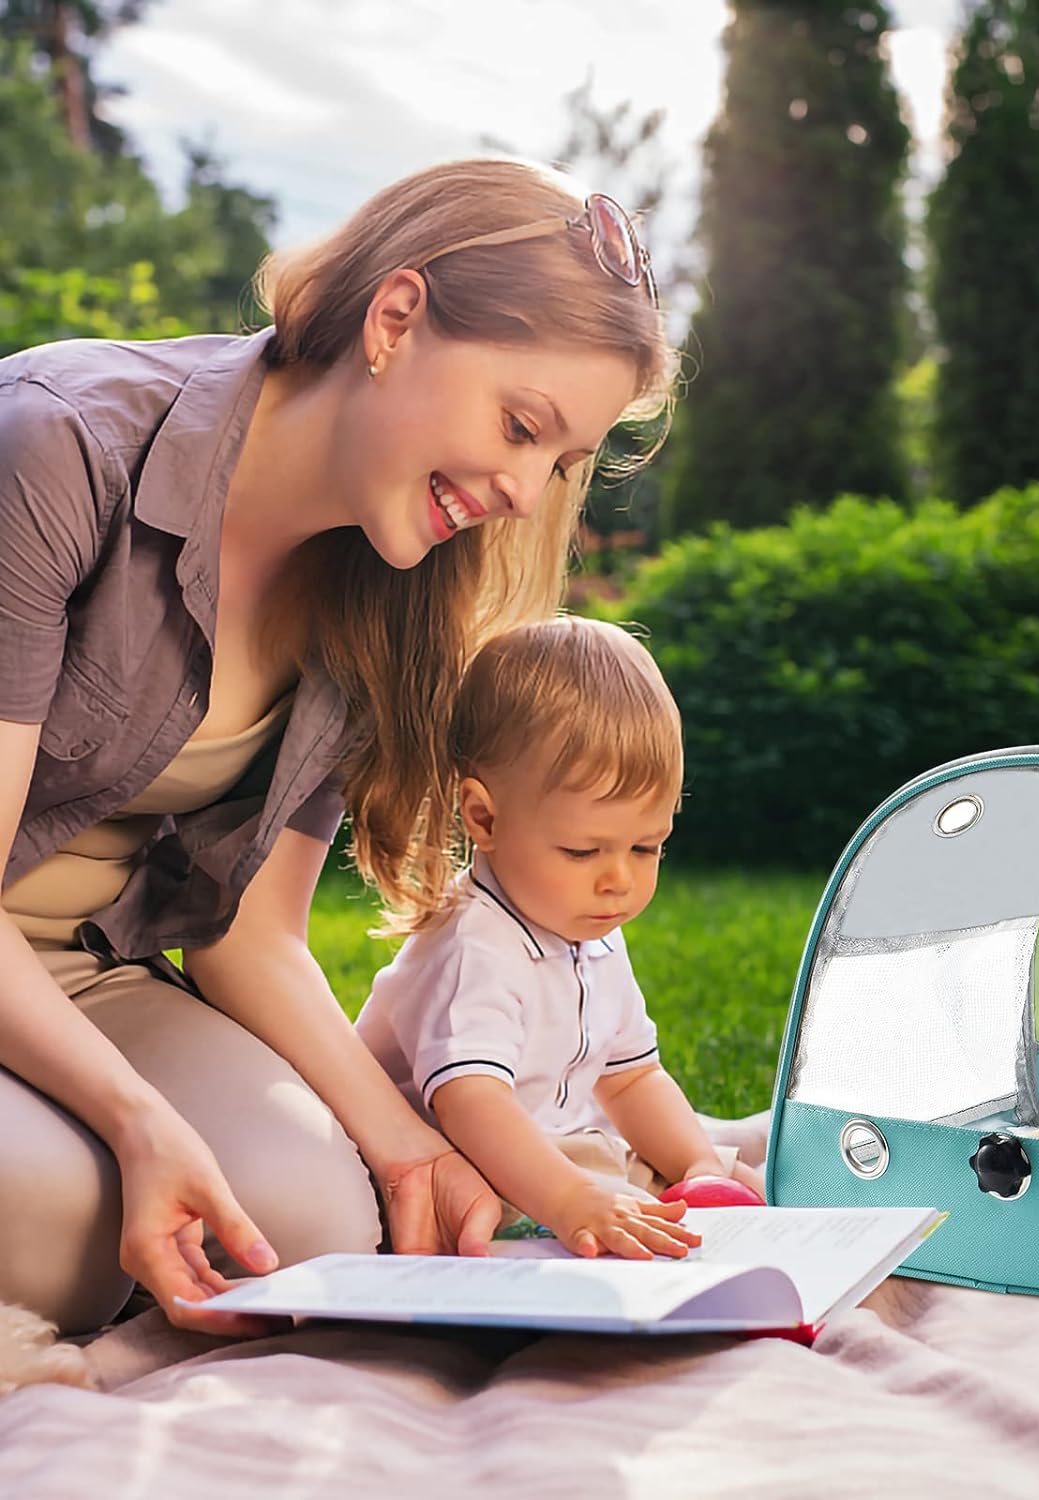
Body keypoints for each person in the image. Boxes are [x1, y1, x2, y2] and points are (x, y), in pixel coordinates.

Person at [0, 159, 680, 1335]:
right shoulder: (59, 449)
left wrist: (412, 1150)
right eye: (521, 428)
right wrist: (138, 1118)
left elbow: (251, 937)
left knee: (318, 1219)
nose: (525, 491)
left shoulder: (389, 593)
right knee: (74, 1206)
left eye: (560, 462)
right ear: (395, 317)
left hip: (78, 974)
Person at [355, 616, 764, 1259]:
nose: (619, 882)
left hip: (554, 1145)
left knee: (716, 1159)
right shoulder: (474, 947)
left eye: (647, 846)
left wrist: (699, 1166)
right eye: (582, 850)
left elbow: (632, 1080)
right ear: (484, 817)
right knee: (618, 1203)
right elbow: (470, 1105)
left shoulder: (587, 929)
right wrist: (574, 1200)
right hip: (464, 1167)